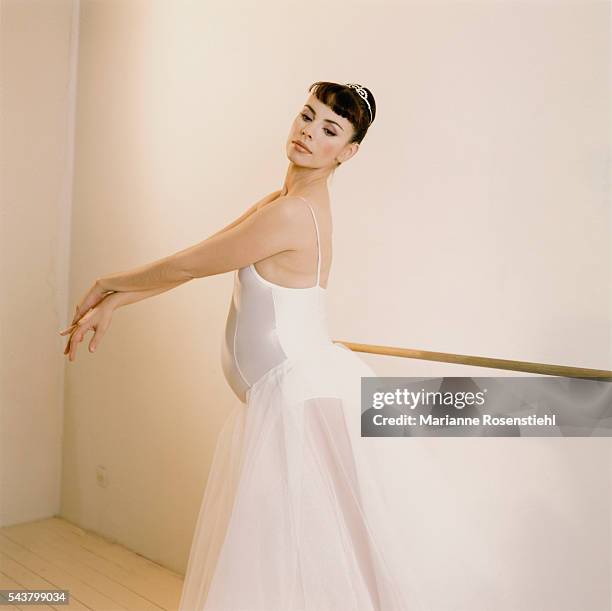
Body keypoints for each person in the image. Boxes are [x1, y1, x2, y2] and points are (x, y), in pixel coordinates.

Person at [59, 82, 424, 610]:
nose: (308, 131)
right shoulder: (281, 202)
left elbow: (186, 265)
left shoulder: (292, 215)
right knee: (303, 550)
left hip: (301, 400)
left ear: (347, 152)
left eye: (329, 129)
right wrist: (118, 300)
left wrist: (107, 281)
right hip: (283, 398)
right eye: (307, 115)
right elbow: (198, 258)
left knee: (334, 550)